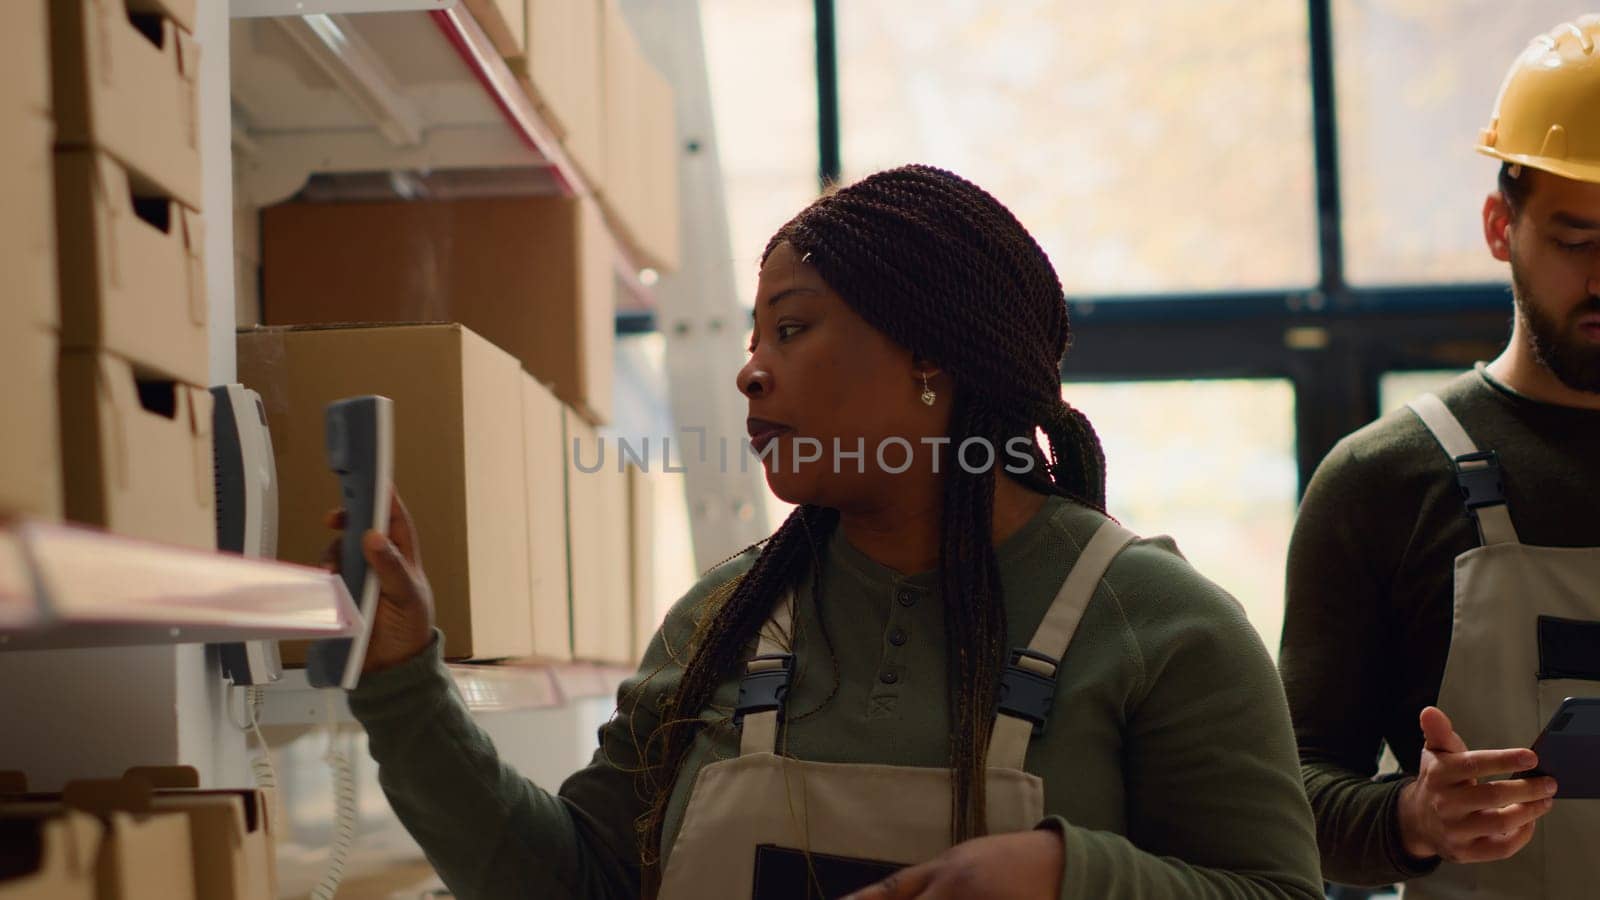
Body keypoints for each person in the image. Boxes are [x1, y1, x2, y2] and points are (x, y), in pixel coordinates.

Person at [335, 165, 1322, 899]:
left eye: (792, 329)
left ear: (933, 359)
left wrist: (1071, 877)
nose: (750, 371)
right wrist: (402, 680)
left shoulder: (1161, 630)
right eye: (751, 337)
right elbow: (571, 882)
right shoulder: (724, 616)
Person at [1279, 16, 1600, 899]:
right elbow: (1282, 801)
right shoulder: (1380, 483)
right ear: (1501, 227)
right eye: (1578, 240)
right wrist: (1410, 821)